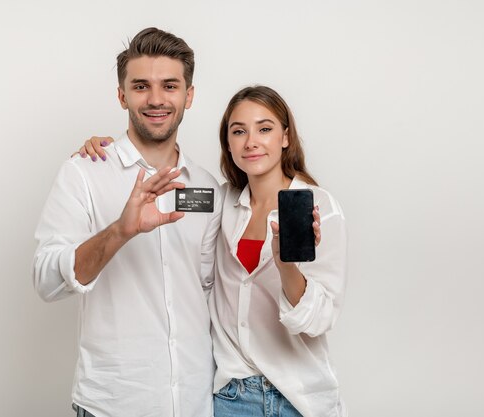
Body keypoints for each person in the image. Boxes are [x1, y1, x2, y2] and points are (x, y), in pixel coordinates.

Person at [78, 86, 348, 417]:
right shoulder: (220, 202)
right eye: (239, 131)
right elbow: (162, 198)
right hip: (231, 399)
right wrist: (111, 154)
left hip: (300, 400)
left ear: (285, 137)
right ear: (228, 143)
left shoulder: (319, 208)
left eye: (265, 129)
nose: (251, 141)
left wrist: (286, 265)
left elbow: (318, 320)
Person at [33, 27, 223, 417]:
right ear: (121, 96)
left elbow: (208, 292)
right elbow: (46, 281)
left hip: (194, 402)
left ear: (189, 95)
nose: (156, 100)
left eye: (170, 86)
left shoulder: (209, 187)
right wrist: (120, 231)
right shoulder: (84, 172)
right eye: (140, 86)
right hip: (113, 403)